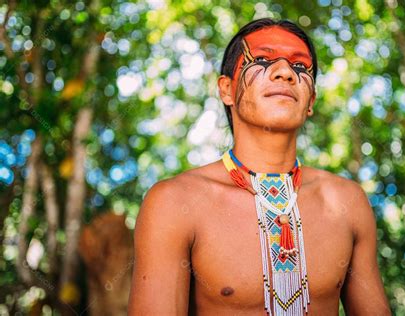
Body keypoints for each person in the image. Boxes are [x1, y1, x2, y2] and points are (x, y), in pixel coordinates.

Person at [128, 18, 391, 315]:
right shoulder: (174, 202)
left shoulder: (348, 202)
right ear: (227, 89)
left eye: (300, 66)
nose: (285, 72)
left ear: (311, 100)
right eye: (263, 59)